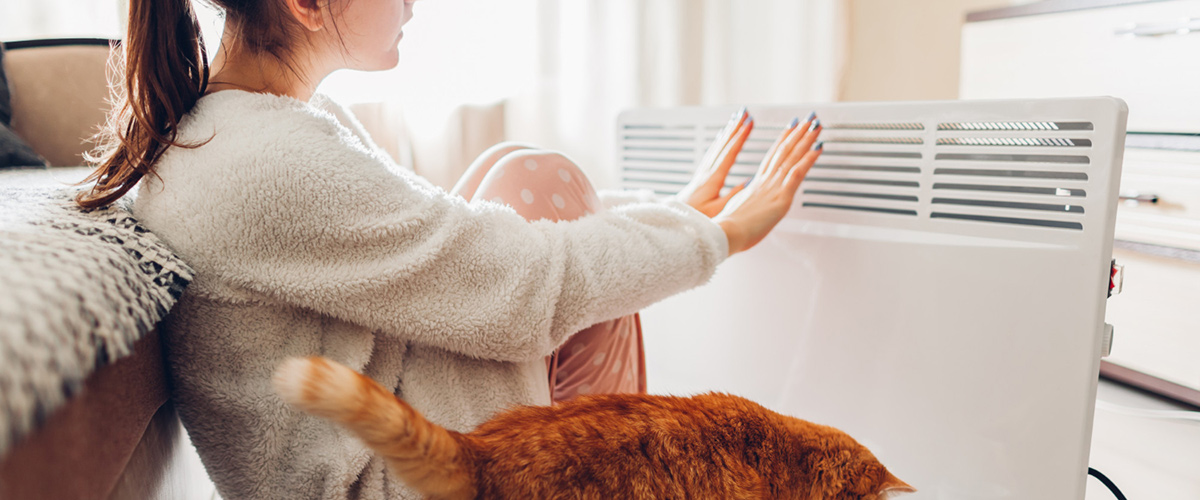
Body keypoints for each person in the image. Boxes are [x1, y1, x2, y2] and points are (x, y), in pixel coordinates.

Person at [76, 0, 823, 498]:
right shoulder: (263, 161)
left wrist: (676, 219)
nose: (410, 5)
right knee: (539, 187)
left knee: (517, 187)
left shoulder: (255, 126)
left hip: (382, 440)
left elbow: (454, 245)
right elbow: (526, 289)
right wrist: (714, 236)